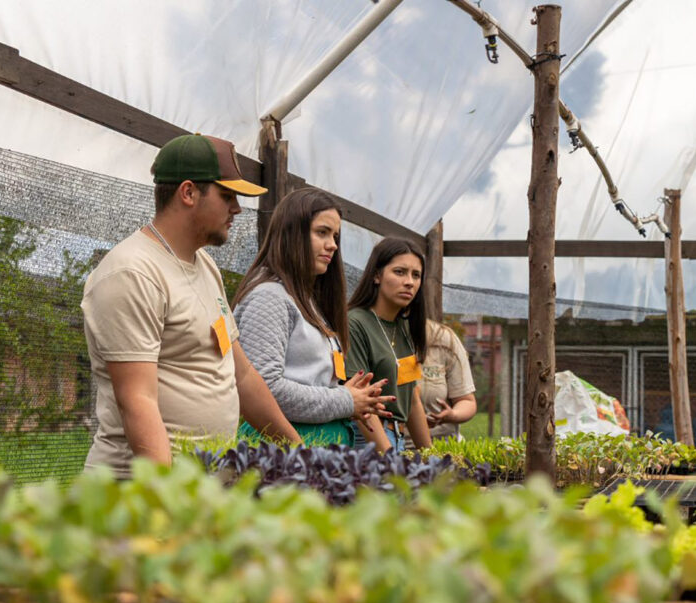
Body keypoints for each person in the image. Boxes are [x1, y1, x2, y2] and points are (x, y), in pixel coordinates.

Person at [81, 133, 300, 478]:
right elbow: (138, 400)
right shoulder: (132, 272)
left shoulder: (205, 266)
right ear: (188, 192)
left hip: (200, 492)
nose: (237, 209)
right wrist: (170, 503)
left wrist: (300, 453)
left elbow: (241, 374)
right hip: (139, 494)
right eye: (227, 196)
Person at [232, 188, 392, 446]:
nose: (333, 245)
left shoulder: (307, 300)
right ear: (291, 232)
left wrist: (353, 395)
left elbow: (307, 380)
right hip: (280, 452)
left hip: (316, 451)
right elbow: (265, 390)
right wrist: (346, 400)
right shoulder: (269, 297)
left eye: (335, 236)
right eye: (322, 232)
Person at [345, 238, 433, 452]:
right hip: (366, 439)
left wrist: (432, 459)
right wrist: (388, 457)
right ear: (377, 275)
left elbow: (412, 400)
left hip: (397, 438)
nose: (409, 282)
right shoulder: (355, 323)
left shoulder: (403, 327)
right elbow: (360, 400)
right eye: (400, 272)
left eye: (416, 275)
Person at [415, 319, 477, 443]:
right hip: (389, 447)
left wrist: (452, 415)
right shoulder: (373, 335)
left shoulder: (443, 338)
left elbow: (466, 400)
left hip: (441, 444)